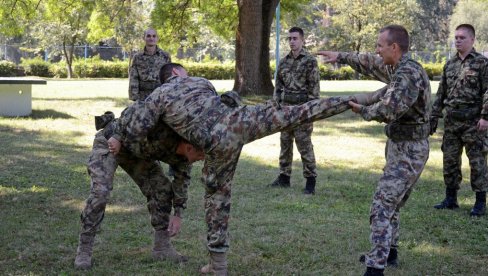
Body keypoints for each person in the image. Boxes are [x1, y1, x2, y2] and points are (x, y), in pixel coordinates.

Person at [110, 63, 362, 275]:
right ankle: (351, 100)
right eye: (183, 71)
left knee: (217, 199)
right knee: (297, 113)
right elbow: (221, 104)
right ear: (176, 73)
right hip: (239, 123)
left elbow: (138, 125)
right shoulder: (201, 81)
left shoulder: (158, 96)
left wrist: (121, 137)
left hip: (214, 140)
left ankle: (218, 266)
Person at [318, 25, 431, 276]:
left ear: (395, 47)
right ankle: (389, 252)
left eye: (380, 45)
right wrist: (341, 56)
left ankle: (375, 267)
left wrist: (364, 110)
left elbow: (389, 110)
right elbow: (369, 62)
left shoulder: (408, 74)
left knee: (382, 203)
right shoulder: (396, 66)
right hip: (399, 145)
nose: (376, 50)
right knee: (392, 203)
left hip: (410, 150)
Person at [73, 111, 204, 270]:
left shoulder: (185, 158)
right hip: (111, 140)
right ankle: (84, 249)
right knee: (101, 192)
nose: (202, 158)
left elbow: (182, 182)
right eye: (200, 154)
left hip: (137, 153)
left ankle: (162, 247)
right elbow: (133, 112)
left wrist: (178, 214)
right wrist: (118, 137)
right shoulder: (164, 129)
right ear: (189, 147)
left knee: (161, 188)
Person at [430, 24, 488, 217]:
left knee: (477, 162)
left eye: (462, 37)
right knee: (450, 161)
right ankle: (451, 198)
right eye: (456, 37)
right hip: (452, 122)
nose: (458, 40)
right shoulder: (450, 64)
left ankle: (480, 202)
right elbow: (441, 93)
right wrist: (434, 116)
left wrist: (485, 117)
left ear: (472, 40)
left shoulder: (482, 63)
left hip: (473, 122)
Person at [270, 26, 320, 195]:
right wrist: (276, 105)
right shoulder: (283, 62)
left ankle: (310, 180)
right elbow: (278, 86)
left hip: (302, 110)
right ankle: (284, 177)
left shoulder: (310, 61)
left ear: (302, 40)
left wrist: (311, 111)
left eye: (295, 38)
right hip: (286, 110)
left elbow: (314, 89)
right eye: (289, 39)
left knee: (304, 145)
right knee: (285, 143)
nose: (292, 41)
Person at [128, 28, 171, 101]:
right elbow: (133, 78)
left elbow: (169, 77)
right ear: (144, 38)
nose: (151, 38)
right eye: (148, 36)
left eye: (154, 36)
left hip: (160, 96)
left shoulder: (165, 56)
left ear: (157, 38)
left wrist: (168, 95)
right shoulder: (137, 57)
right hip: (143, 97)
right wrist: (135, 97)